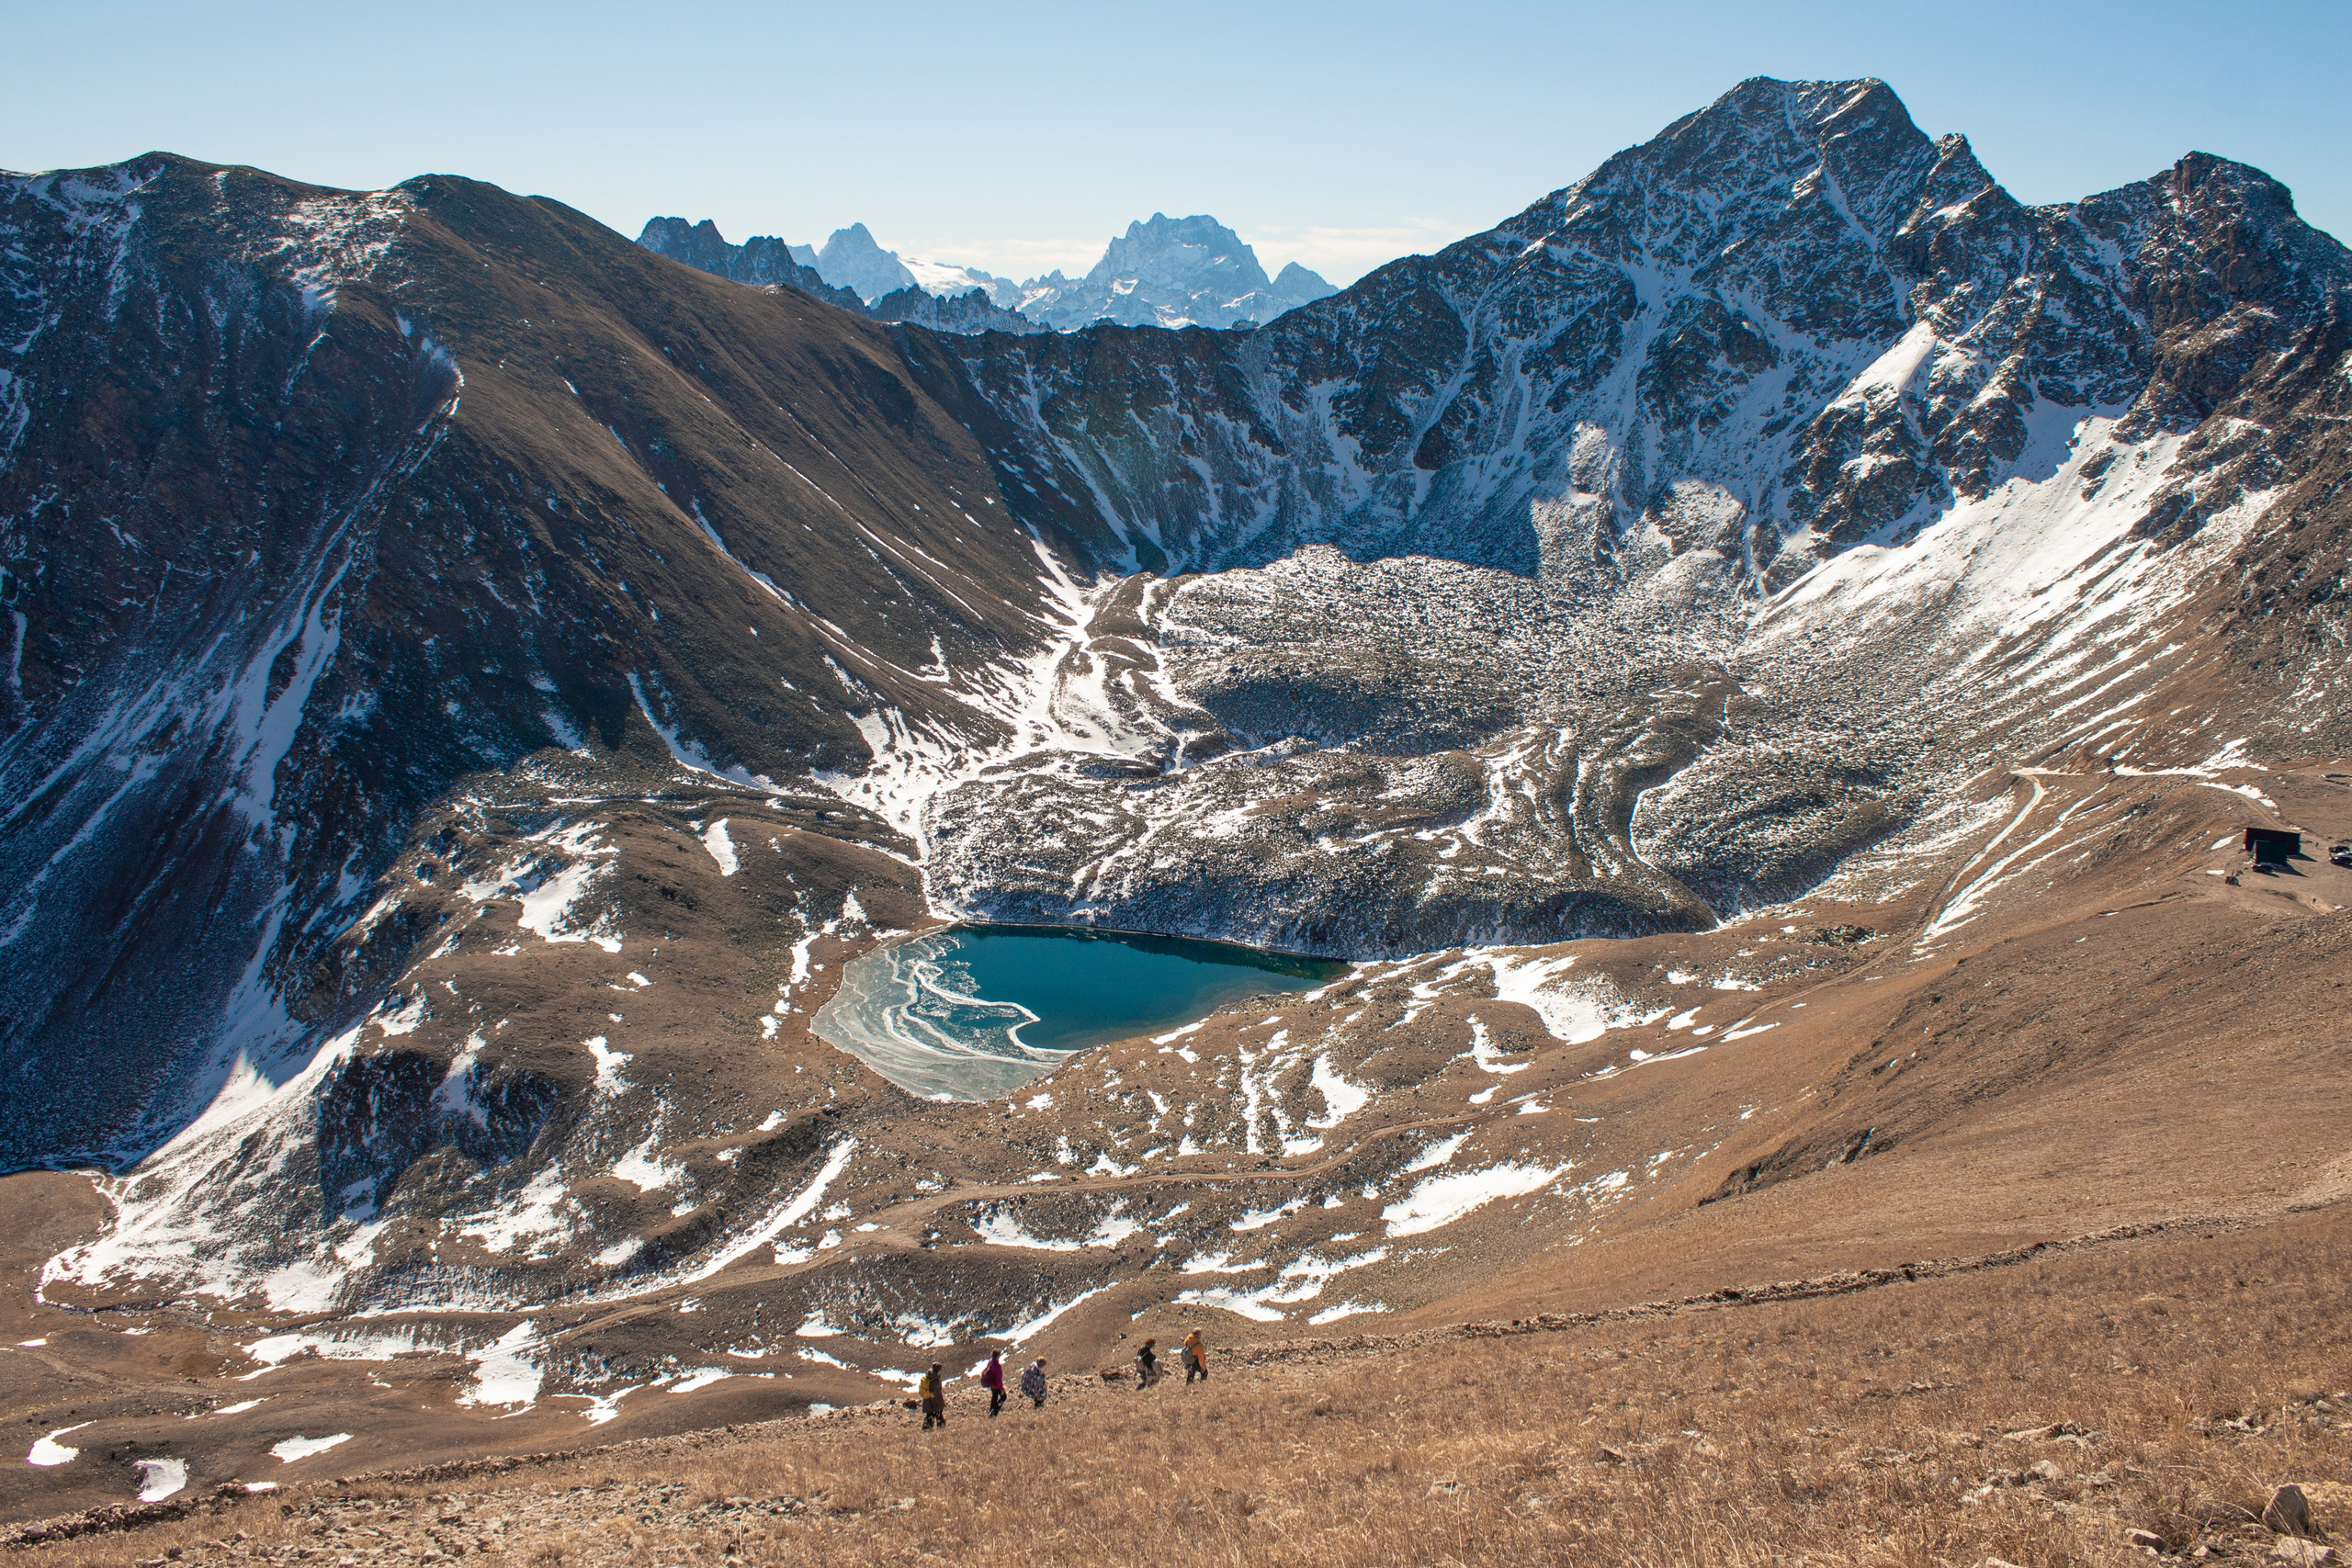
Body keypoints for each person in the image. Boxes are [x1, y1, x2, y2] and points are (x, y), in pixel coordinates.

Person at [919, 1363, 946, 1430]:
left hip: (927, 1402)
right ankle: (941, 1432)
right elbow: (937, 1395)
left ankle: (925, 1431)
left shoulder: (929, 1376)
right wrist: (941, 1405)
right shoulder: (935, 1380)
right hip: (935, 1404)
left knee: (929, 1417)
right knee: (939, 1418)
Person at [980, 1351, 1006, 1417]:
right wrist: (1002, 1389)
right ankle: (995, 1411)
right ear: (997, 1356)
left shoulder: (990, 1362)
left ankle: (991, 1410)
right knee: (1003, 1397)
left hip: (991, 1384)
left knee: (994, 1397)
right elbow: (999, 1380)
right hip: (997, 1385)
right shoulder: (997, 1366)